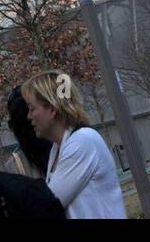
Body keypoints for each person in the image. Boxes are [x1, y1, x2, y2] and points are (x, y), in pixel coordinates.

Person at [21, 71, 126, 219]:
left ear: (52, 109)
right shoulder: (57, 149)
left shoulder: (82, 141)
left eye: (32, 109)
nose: (29, 116)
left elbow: (48, 204)